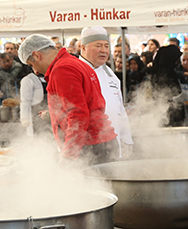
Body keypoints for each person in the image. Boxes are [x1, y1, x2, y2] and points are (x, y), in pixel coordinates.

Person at [19, 34, 118, 164]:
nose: (35, 71)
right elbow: (85, 104)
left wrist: (68, 156)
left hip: (90, 147)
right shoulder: (74, 62)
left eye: (32, 64)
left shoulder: (62, 69)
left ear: (37, 55)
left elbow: (78, 114)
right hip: (100, 142)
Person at [78, 26, 133, 158]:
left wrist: (126, 138)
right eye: (98, 45)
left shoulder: (110, 74)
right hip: (88, 149)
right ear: (83, 48)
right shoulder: (75, 72)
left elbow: (119, 109)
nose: (103, 50)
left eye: (106, 46)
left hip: (113, 144)